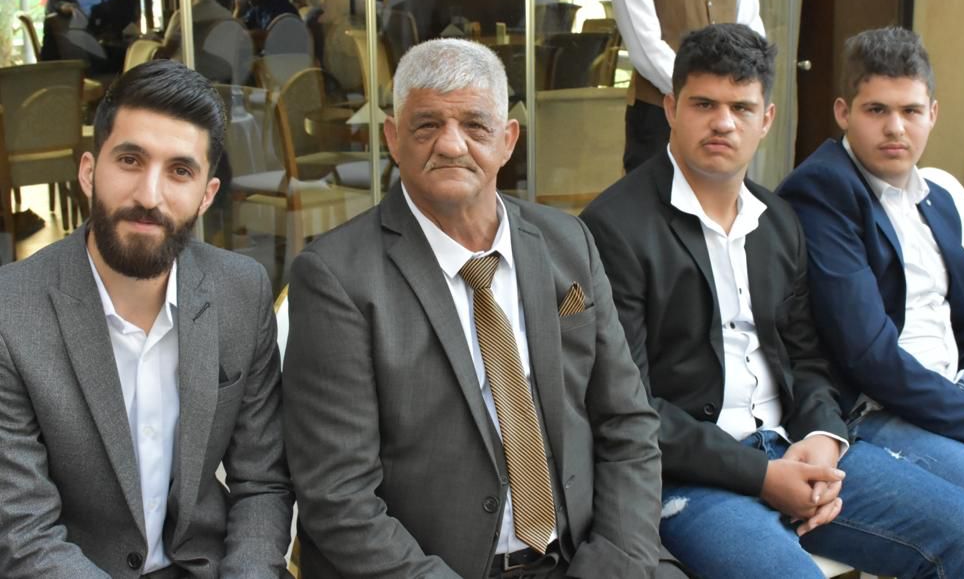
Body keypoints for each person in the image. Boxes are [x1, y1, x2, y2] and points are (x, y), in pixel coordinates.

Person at [580, 23, 964, 578]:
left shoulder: (778, 220)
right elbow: (628, 405)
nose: (724, 122)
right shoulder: (613, 227)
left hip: (794, 449)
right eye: (704, 104)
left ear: (767, 119)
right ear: (670, 108)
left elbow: (807, 357)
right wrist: (763, 477)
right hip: (688, 475)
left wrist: (824, 439)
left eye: (742, 107)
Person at [283, 39, 679, 579]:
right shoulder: (337, 276)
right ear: (393, 138)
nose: (451, 145)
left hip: (585, 556)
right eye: (426, 125)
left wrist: (614, 562)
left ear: (508, 139)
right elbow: (339, 497)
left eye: (475, 125)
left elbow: (627, 424)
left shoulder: (569, 243)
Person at [0, 60, 294, 578]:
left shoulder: (240, 293)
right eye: (130, 160)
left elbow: (263, 483)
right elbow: (25, 532)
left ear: (206, 195)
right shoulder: (11, 312)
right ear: (89, 171)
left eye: (180, 171)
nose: (149, 196)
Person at [778, 26, 964, 578]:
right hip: (879, 413)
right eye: (877, 110)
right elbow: (870, 357)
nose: (895, 127)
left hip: (952, 396)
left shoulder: (935, 200)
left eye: (911, 111)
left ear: (932, 113)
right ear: (843, 112)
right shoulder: (822, 192)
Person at [605, 0, 764, 172]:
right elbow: (646, 48)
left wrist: (738, 97)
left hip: (727, 116)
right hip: (660, 117)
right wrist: (702, 97)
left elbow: (751, 30)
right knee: (658, 198)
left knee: (723, 196)